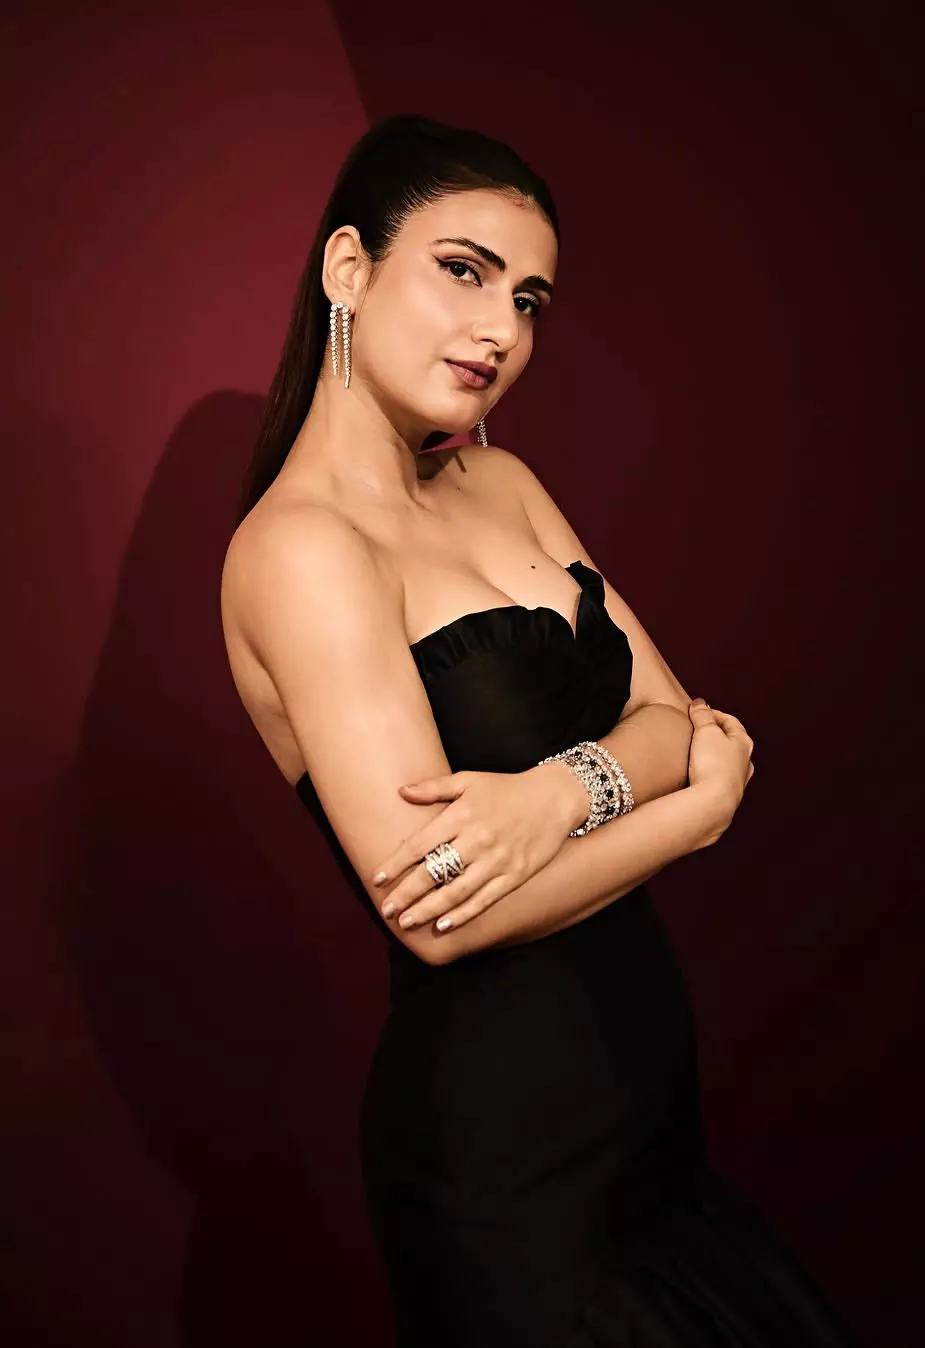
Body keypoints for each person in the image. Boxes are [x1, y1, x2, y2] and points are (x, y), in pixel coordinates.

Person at [221, 114, 860, 1347]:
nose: (503, 331)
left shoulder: (503, 482)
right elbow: (438, 910)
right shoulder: (301, 550)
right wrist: (694, 815)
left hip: (651, 1119)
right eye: (463, 272)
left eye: (527, 300)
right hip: (508, 1166)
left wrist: (561, 792)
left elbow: (677, 716)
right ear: (349, 268)